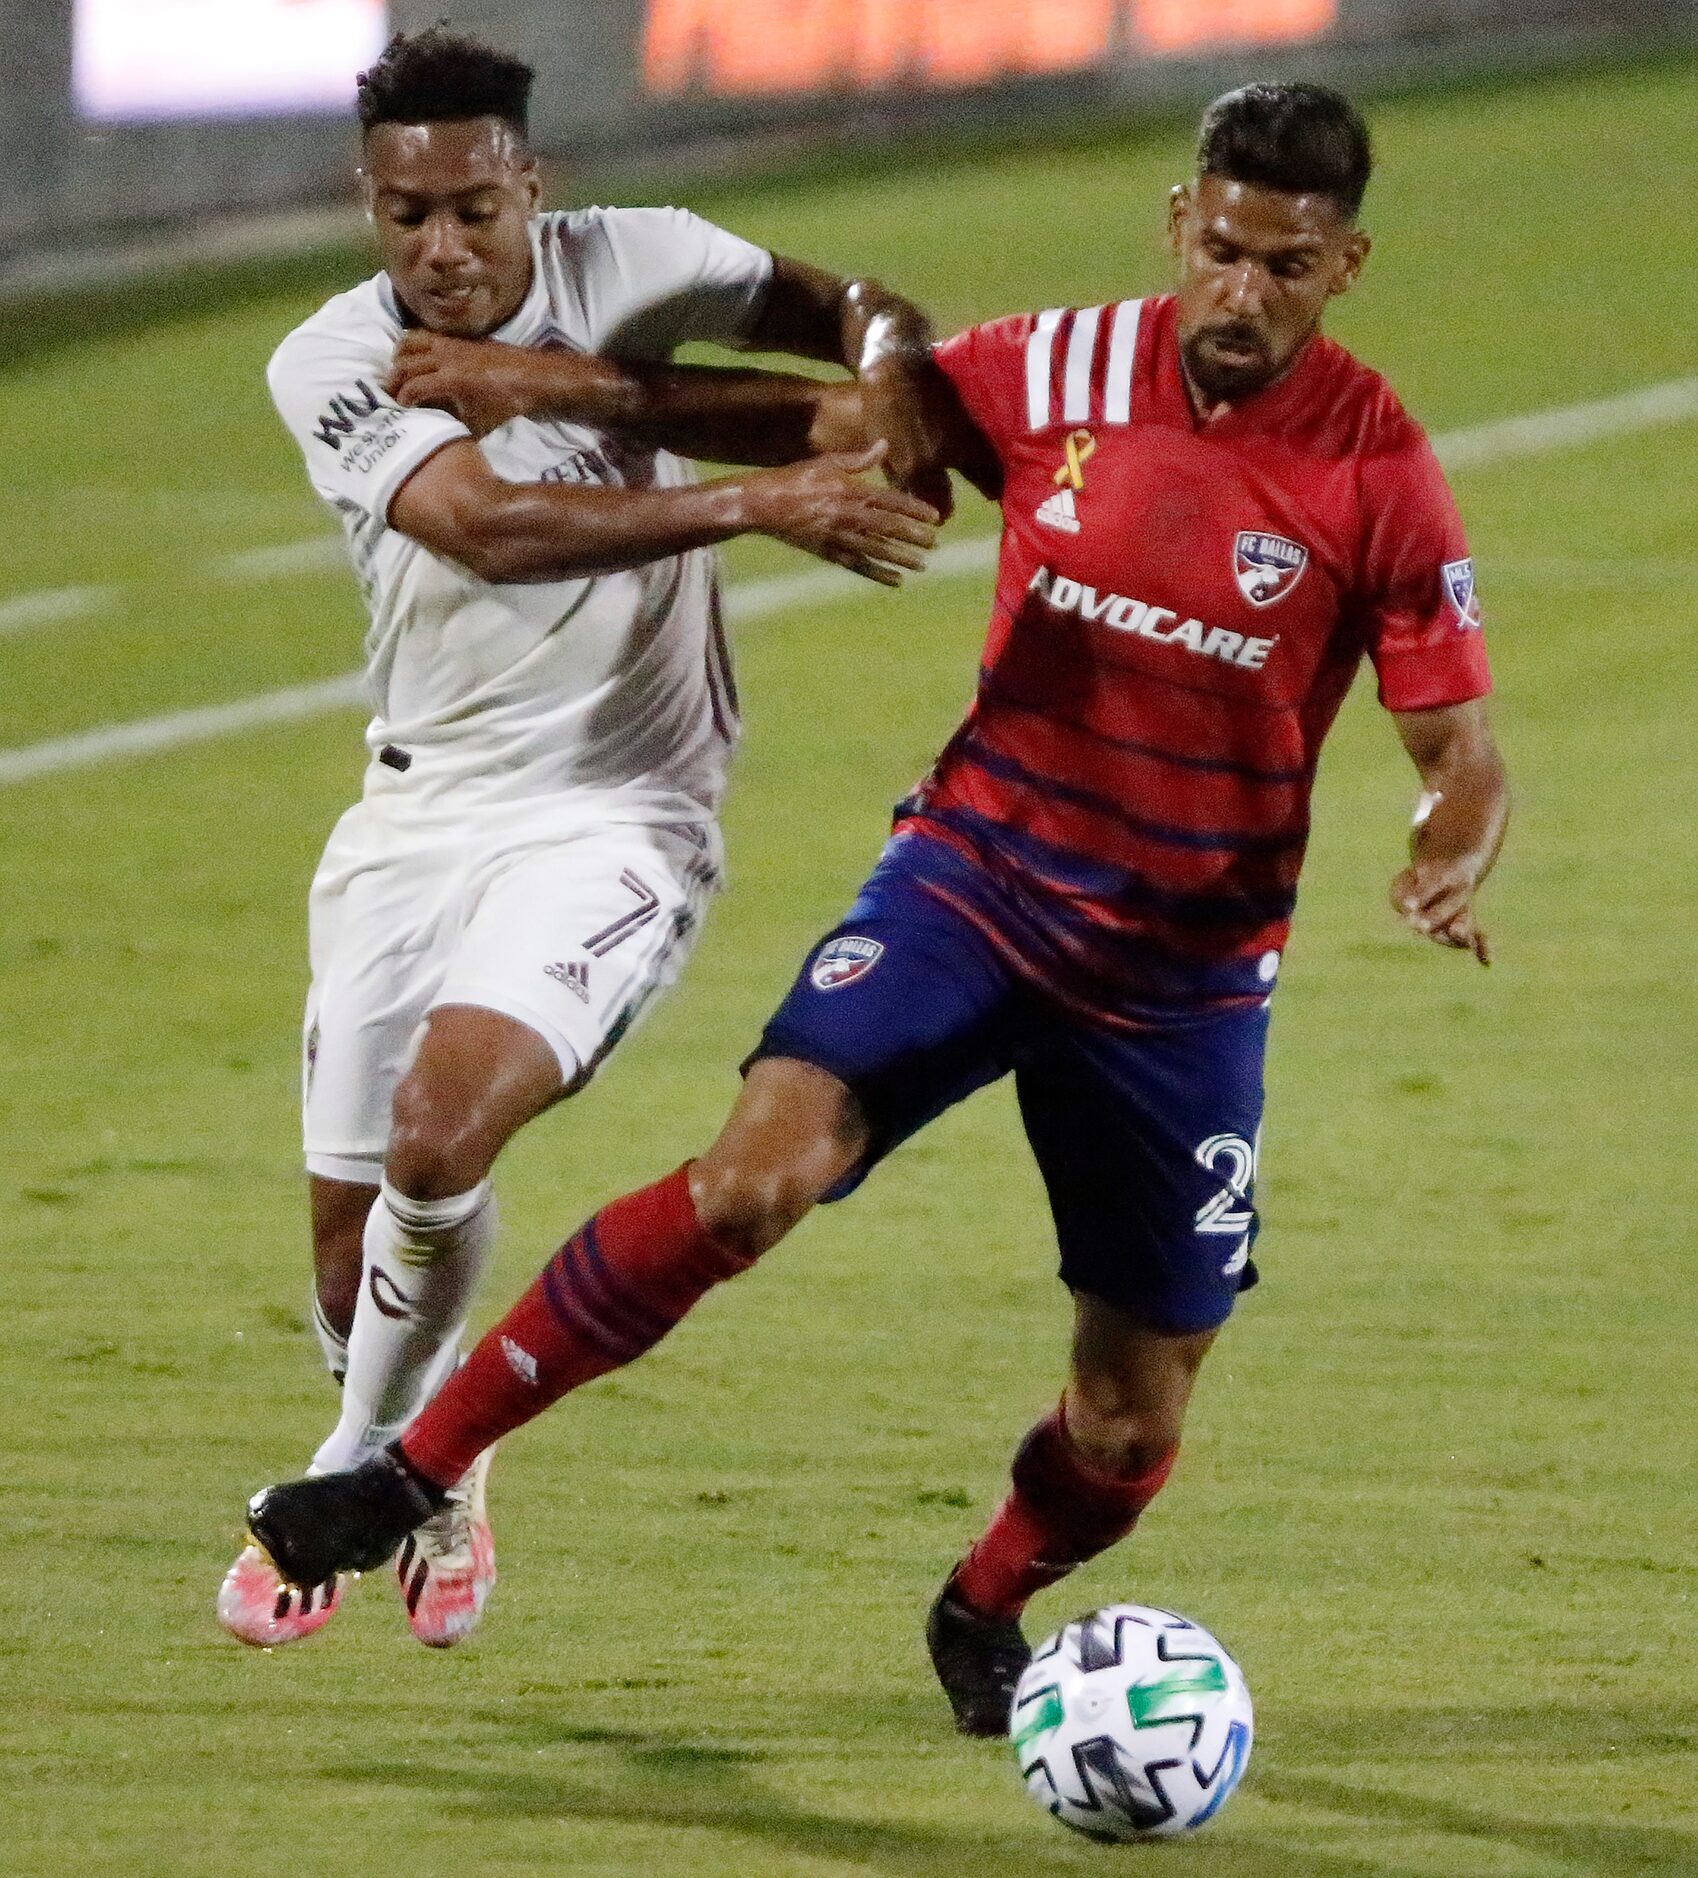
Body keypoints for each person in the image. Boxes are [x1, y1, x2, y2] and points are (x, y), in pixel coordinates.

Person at [245, 80, 1510, 1731]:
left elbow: (1457, 741)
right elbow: (827, 416)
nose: (1240, 295)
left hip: (1179, 982)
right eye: (1219, 251)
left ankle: (984, 1601)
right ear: (1175, 226)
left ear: (1344, 263)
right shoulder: (1054, 370)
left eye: (1283, 264)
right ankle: (414, 1470)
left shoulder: (1380, 468)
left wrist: (1446, 837)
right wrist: (544, 383)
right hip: (971, 881)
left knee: (1127, 1425)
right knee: (749, 1180)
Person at [217, 24, 941, 1650]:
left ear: (529, 183)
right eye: (408, 215)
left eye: (475, 207)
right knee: (354, 1272)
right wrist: (760, 489)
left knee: (438, 1129)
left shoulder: (643, 261)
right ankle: (438, 1463)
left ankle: (356, 1477)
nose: (444, 248)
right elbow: (488, 526)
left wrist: (885, 377)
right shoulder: (328, 359)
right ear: (368, 205)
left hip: (620, 815)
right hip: (413, 817)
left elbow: (866, 327)